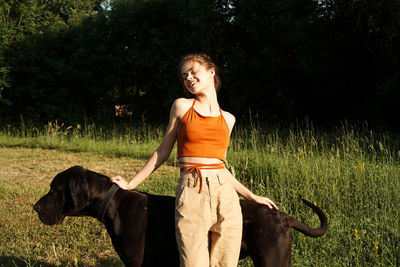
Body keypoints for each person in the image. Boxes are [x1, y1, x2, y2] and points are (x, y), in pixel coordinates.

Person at [111, 53, 278, 267]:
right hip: (192, 192)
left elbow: (221, 167)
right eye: (184, 76)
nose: (188, 78)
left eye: (193, 72)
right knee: (192, 262)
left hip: (225, 197)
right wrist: (130, 184)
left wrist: (251, 196)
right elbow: (163, 151)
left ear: (211, 72)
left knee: (225, 263)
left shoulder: (228, 119)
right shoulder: (182, 107)